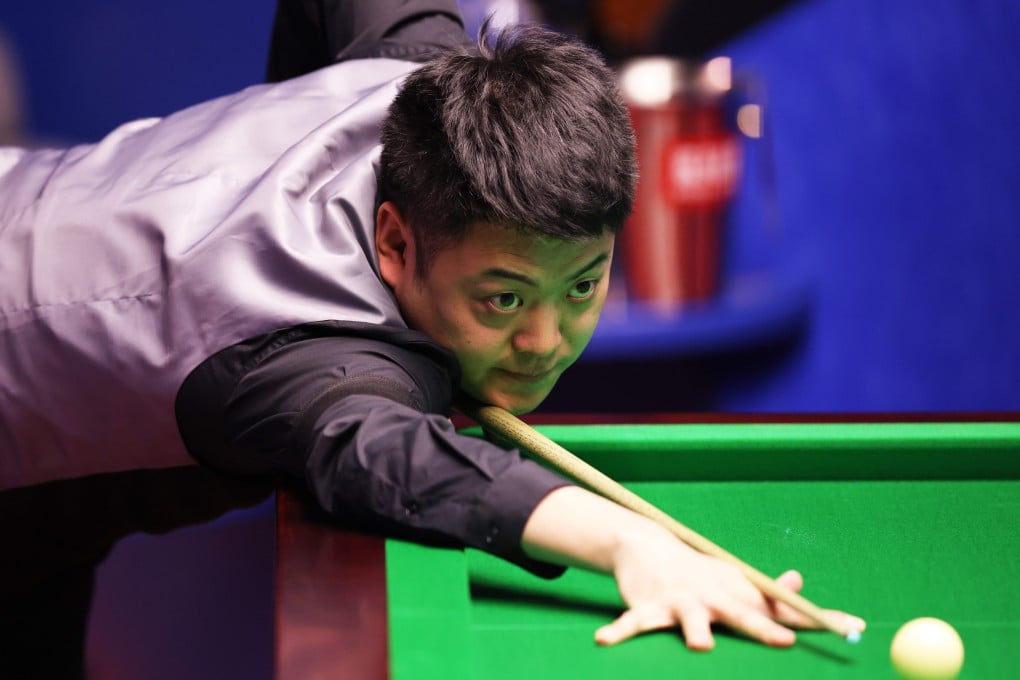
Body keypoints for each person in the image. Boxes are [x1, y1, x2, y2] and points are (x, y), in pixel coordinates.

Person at [0, 0, 863, 651]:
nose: (545, 341)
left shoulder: (430, 78)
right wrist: (627, 541)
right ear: (393, 240)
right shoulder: (296, 361)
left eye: (584, 285)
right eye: (504, 299)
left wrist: (289, 94)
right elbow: (392, 460)